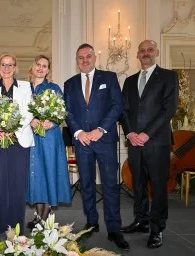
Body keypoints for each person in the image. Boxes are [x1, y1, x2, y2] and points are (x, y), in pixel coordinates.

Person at [64, 43, 129, 251]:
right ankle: (91, 222)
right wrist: (78, 133)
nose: (84, 60)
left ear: (94, 58)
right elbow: (68, 111)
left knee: (110, 185)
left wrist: (100, 129)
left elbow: (117, 106)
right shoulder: (70, 83)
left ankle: (114, 229)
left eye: (88, 56)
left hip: (105, 141)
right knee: (88, 185)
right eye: (80, 57)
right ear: (77, 61)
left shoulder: (109, 78)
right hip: (82, 142)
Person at [119, 40, 178, 249]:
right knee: (138, 183)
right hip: (134, 142)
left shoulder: (169, 76)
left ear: (157, 53)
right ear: (137, 55)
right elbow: (123, 111)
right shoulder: (129, 81)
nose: (146, 53)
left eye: (150, 50)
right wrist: (131, 133)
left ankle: (156, 229)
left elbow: (169, 109)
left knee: (159, 187)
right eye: (142, 51)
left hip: (157, 142)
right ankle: (141, 220)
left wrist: (146, 134)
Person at [0, 53, 34, 236]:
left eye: (10, 65)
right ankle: (4, 227)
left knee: (18, 184)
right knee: (2, 184)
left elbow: (29, 112)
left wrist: (13, 129)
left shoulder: (26, 86)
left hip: (19, 140)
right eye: (3, 65)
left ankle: (17, 227)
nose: (6, 68)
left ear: (15, 67)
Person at [26, 55, 71, 229]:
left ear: (48, 70)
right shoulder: (24, 87)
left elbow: (62, 111)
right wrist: (30, 121)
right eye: (38, 64)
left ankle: (44, 218)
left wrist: (52, 122)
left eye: (44, 66)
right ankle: (38, 215)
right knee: (36, 175)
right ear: (33, 66)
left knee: (48, 172)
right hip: (30, 136)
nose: (41, 68)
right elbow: (20, 110)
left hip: (50, 137)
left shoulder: (53, 88)